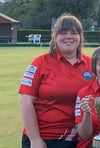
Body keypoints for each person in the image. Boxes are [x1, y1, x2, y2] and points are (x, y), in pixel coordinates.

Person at [18, 13, 93, 148]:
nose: (69, 37)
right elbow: (25, 101)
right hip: (44, 140)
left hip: (80, 141)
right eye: (63, 33)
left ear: (80, 37)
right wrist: (35, 139)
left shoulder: (92, 65)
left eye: (74, 33)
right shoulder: (39, 63)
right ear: (55, 37)